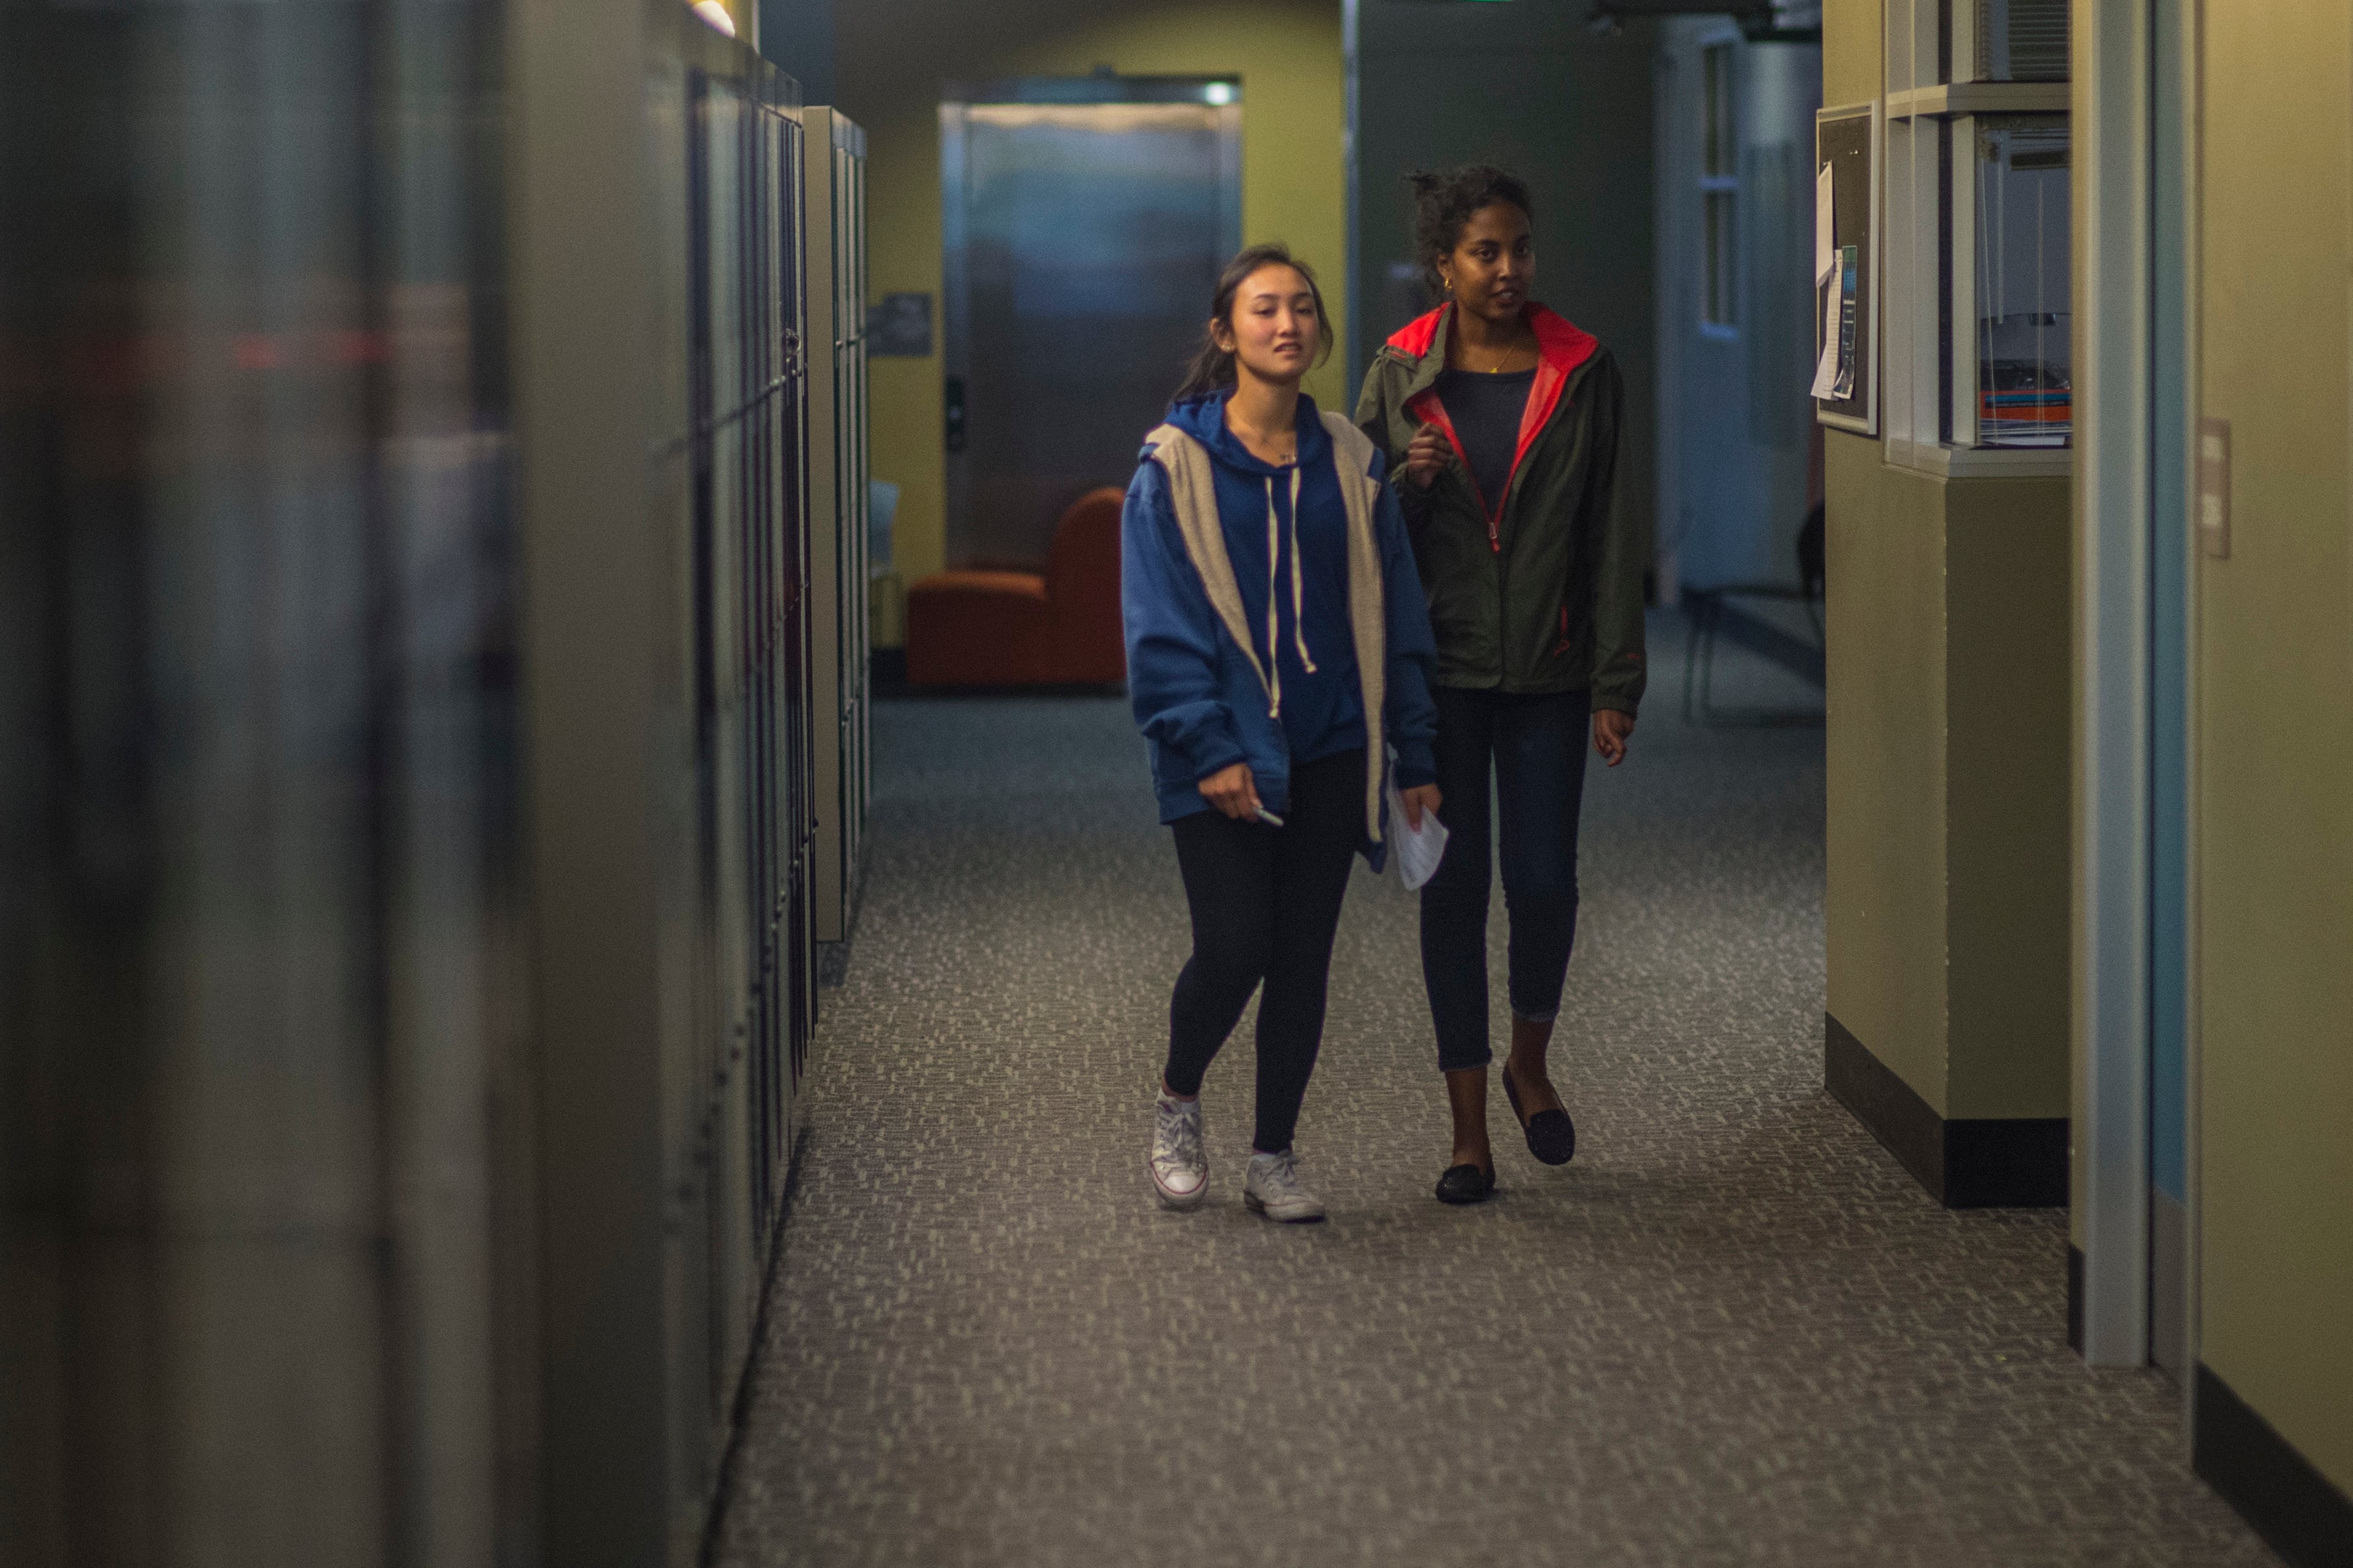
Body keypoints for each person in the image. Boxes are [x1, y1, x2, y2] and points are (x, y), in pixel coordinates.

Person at [1124, 243, 1443, 1222]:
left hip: (1332, 745)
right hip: (1218, 754)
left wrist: (1416, 751)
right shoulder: (1173, 467)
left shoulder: (1349, 458)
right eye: (1263, 310)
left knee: (1302, 957)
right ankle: (1179, 1098)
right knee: (1234, 947)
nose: (1286, 325)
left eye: (1301, 309)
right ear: (1225, 334)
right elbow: (1160, 622)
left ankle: (1274, 1154)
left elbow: (1394, 609)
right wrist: (1207, 746)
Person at [1354, 166, 1644, 1206]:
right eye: (1485, 251)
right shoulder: (1394, 374)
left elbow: (1611, 531)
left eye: (1520, 247)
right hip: (1439, 676)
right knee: (1451, 894)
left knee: (1543, 882)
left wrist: (1617, 678)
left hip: (1553, 670)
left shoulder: (1582, 366)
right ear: (1442, 264)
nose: (1509, 268)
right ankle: (1468, 1132)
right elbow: (1358, 535)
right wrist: (1406, 479)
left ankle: (1530, 1060)